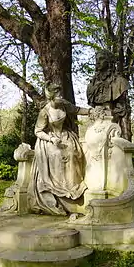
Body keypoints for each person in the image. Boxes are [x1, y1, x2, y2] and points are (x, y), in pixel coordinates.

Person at [28, 82, 91, 215]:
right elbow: (38, 131)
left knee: (72, 152)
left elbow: (77, 110)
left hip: (64, 135)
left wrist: (90, 111)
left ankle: (73, 187)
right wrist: (51, 139)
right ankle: (59, 190)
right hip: (49, 138)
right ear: (51, 97)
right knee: (57, 155)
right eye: (57, 95)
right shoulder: (44, 112)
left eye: (60, 94)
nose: (60, 96)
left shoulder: (63, 104)